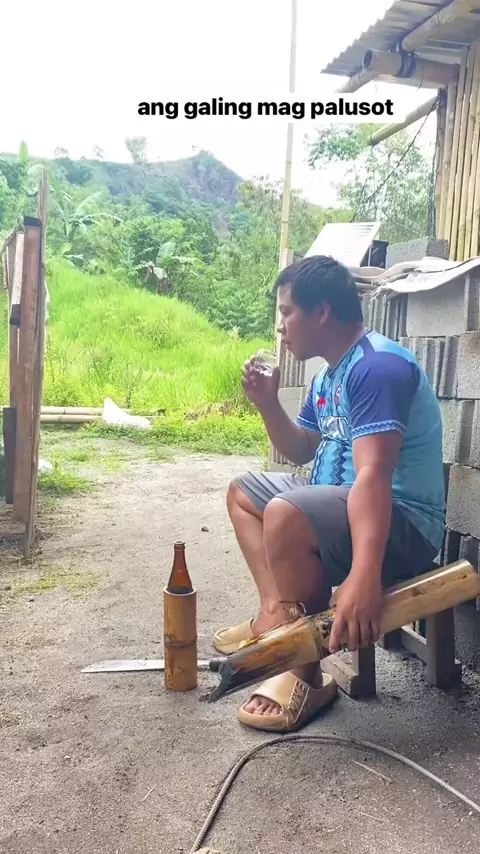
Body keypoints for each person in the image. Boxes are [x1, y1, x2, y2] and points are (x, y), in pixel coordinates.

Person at [213, 254, 446, 733]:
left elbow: (373, 476)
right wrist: (267, 403)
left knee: (285, 512)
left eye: (287, 312)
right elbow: (301, 448)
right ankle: (275, 615)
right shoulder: (327, 376)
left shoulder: (377, 368)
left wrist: (363, 574)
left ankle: (305, 674)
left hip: (401, 523)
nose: (280, 327)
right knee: (243, 495)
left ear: (321, 312)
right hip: (341, 504)